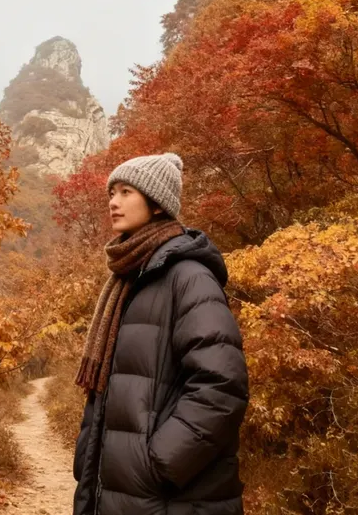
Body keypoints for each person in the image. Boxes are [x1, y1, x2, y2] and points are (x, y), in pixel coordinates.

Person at [72, 153, 249, 515]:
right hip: (125, 490)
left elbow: (222, 383)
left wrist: (160, 463)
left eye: (126, 192)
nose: (113, 202)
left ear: (156, 205)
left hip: (170, 497)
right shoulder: (129, 278)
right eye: (111, 192)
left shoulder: (188, 277)